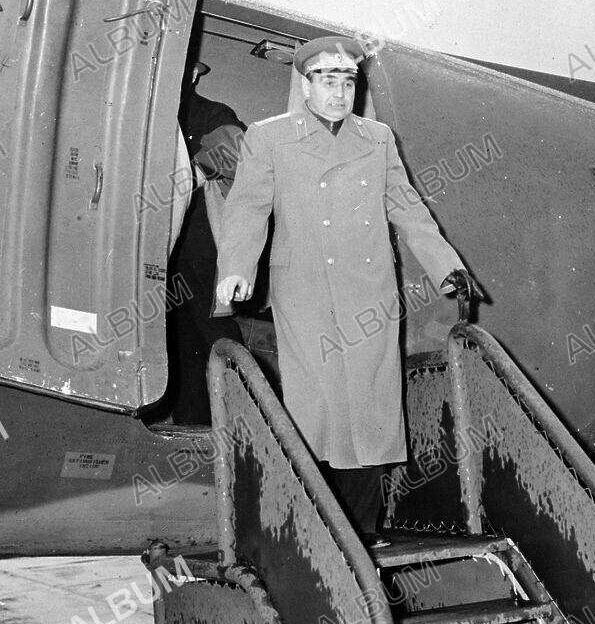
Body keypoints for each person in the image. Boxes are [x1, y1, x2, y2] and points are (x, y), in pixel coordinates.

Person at [215, 36, 478, 538]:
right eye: (328, 81)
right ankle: (315, 530)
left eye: (348, 82)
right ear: (306, 84)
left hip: (370, 291)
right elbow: (248, 207)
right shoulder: (269, 137)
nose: (339, 92)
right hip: (306, 291)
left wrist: (447, 265)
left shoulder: (377, 138)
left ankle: (362, 532)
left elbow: (405, 204)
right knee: (318, 408)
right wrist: (237, 267)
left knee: (373, 410)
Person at [167, 61, 247, 425]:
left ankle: (247, 423)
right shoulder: (157, 117)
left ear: (194, 75)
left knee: (215, 338)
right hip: (166, 256)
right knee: (182, 347)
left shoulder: (211, 113)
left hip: (203, 250)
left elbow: (241, 151)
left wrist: (198, 170)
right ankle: (192, 428)